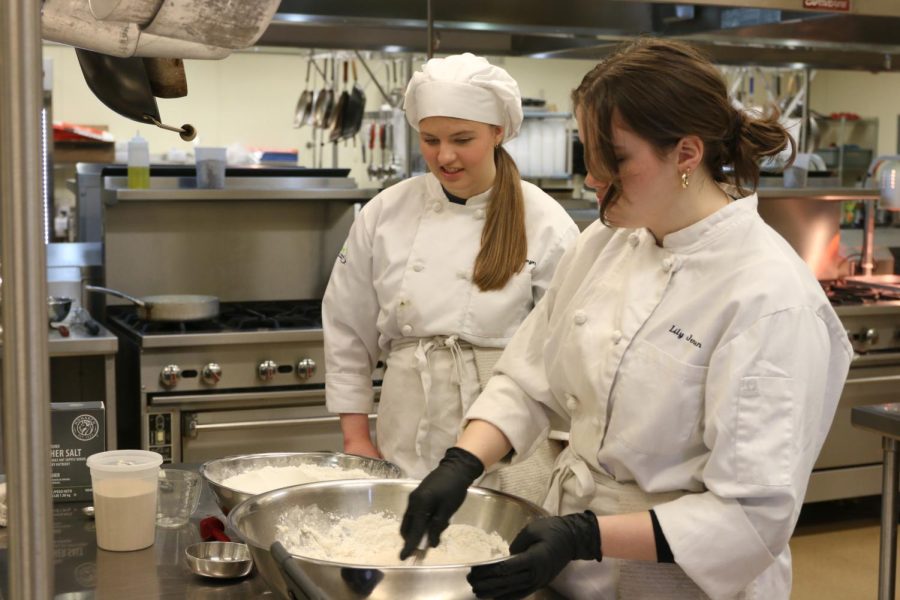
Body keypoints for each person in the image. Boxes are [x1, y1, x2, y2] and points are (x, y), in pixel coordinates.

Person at [399, 38, 853, 599]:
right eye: (587, 153)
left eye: (612, 159)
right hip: (577, 571)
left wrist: (584, 534)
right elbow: (528, 376)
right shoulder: (606, 243)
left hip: (679, 584)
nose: (593, 179)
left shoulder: (769, 298)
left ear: (686, 154)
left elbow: (752, 515)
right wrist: (462, 462)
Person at [322, 53, 580, 495]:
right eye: (430, 139)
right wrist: (356, 437)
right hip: (405, 428)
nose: (444, 156)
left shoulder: (546, 221)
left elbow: (564, 354)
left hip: (509, 447)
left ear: (498, 132)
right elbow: (348, 326)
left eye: (462, 139)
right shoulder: (386, 212)